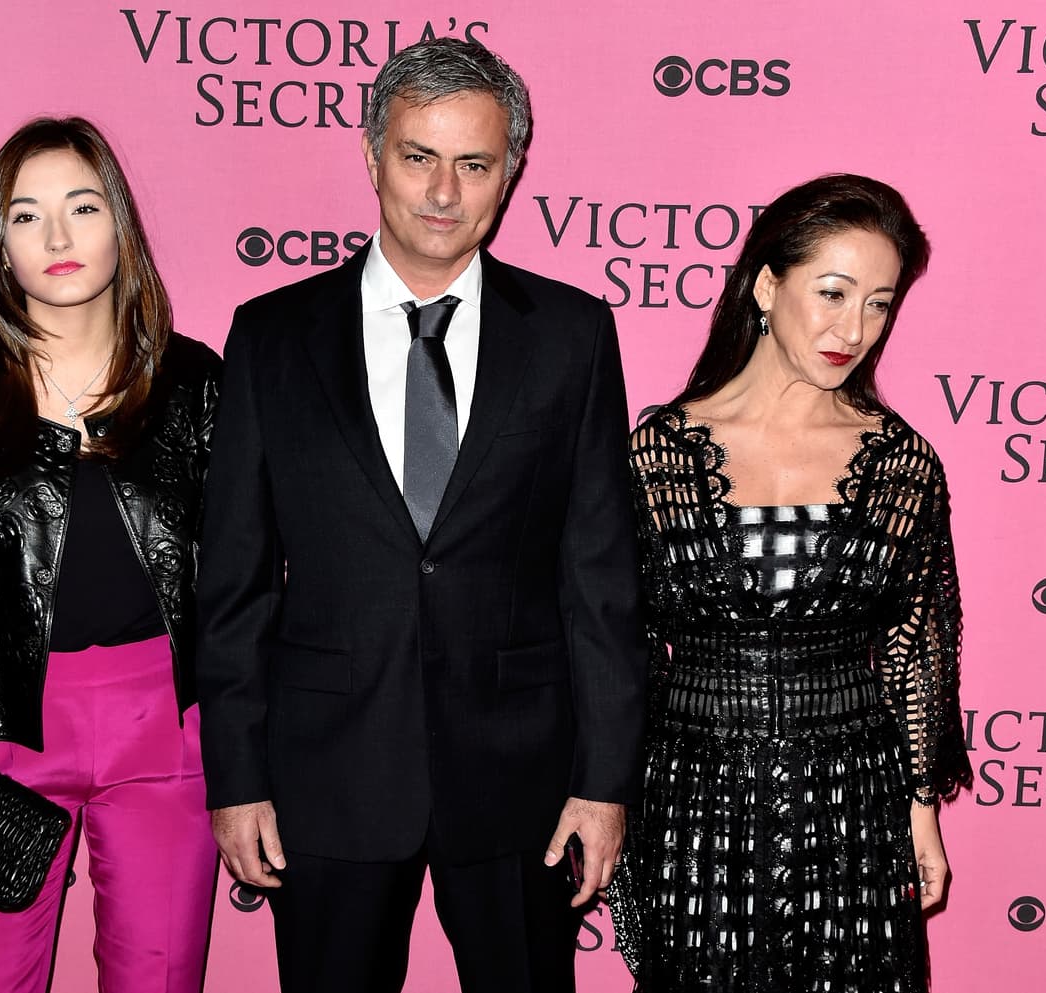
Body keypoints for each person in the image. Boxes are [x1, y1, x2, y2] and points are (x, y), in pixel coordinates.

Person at [196, 37, 647, 993]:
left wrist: (604, 782)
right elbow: (231, 582)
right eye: (418, 156)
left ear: (510, 174)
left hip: (525, 774)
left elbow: (600, 579)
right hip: (328, 771)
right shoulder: (271, 336)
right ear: (371, 156)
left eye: (474, 164)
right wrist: (236, 779)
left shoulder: (572, 337)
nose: (443, 192)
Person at [0, 116, 222, 993]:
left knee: (160, 979)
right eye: (25, 216)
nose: (58, 237)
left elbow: (246, 579)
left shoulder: (194, 383)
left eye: (82, 206)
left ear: (121, 228)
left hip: (165, 728)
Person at [608, 174, 973, 992]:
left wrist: (920, 809)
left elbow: (915, 649)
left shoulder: (901, 463)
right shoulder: (659, 454)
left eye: (879, 303)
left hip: (853, 800)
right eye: (834, 293)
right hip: (694, 795)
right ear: (767, 285)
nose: (855, 329)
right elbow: (614, 642)